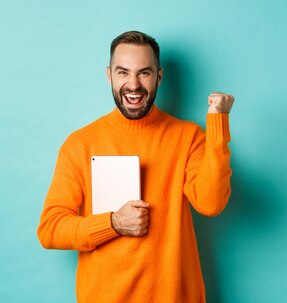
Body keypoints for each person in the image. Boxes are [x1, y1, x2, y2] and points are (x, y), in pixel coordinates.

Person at [36, 30, 234, 302]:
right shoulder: (80, 144)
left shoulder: (188, 137)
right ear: (109, 75)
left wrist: (218, 122)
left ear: (159, 77)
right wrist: (114, 223)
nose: (133, 84)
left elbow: (211, 203)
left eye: (144, 73)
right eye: (123, 72)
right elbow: (51, 229)